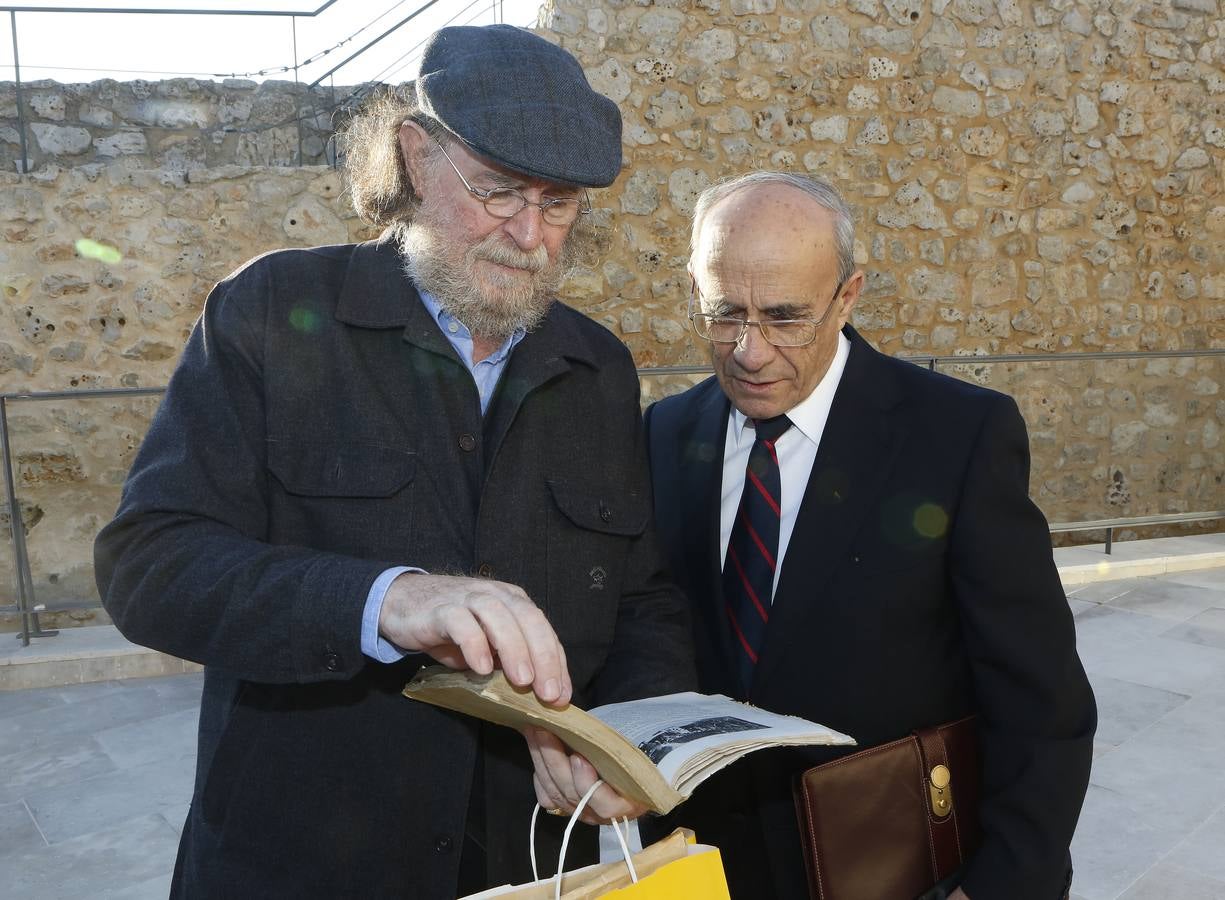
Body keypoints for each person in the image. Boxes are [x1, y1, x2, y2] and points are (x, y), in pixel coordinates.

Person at [95, 24, 694, 899]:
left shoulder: (597, 367)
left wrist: (624, 737)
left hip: (521, 862)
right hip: (303, 864)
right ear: (415, 157)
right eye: (498, 190)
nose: (530, 234)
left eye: (558, 201)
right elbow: (150, 565)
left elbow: (640, 600)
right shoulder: (271, 312)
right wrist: (389, 599)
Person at [643, 172, 1096, 900]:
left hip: (895, 869)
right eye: (724, 313)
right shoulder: (664, 433)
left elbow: (1041, 700)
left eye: (785, 318)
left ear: (847, 296)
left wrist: (999, 886)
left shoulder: (957, 437)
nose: (750, 351)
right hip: (709, 867)